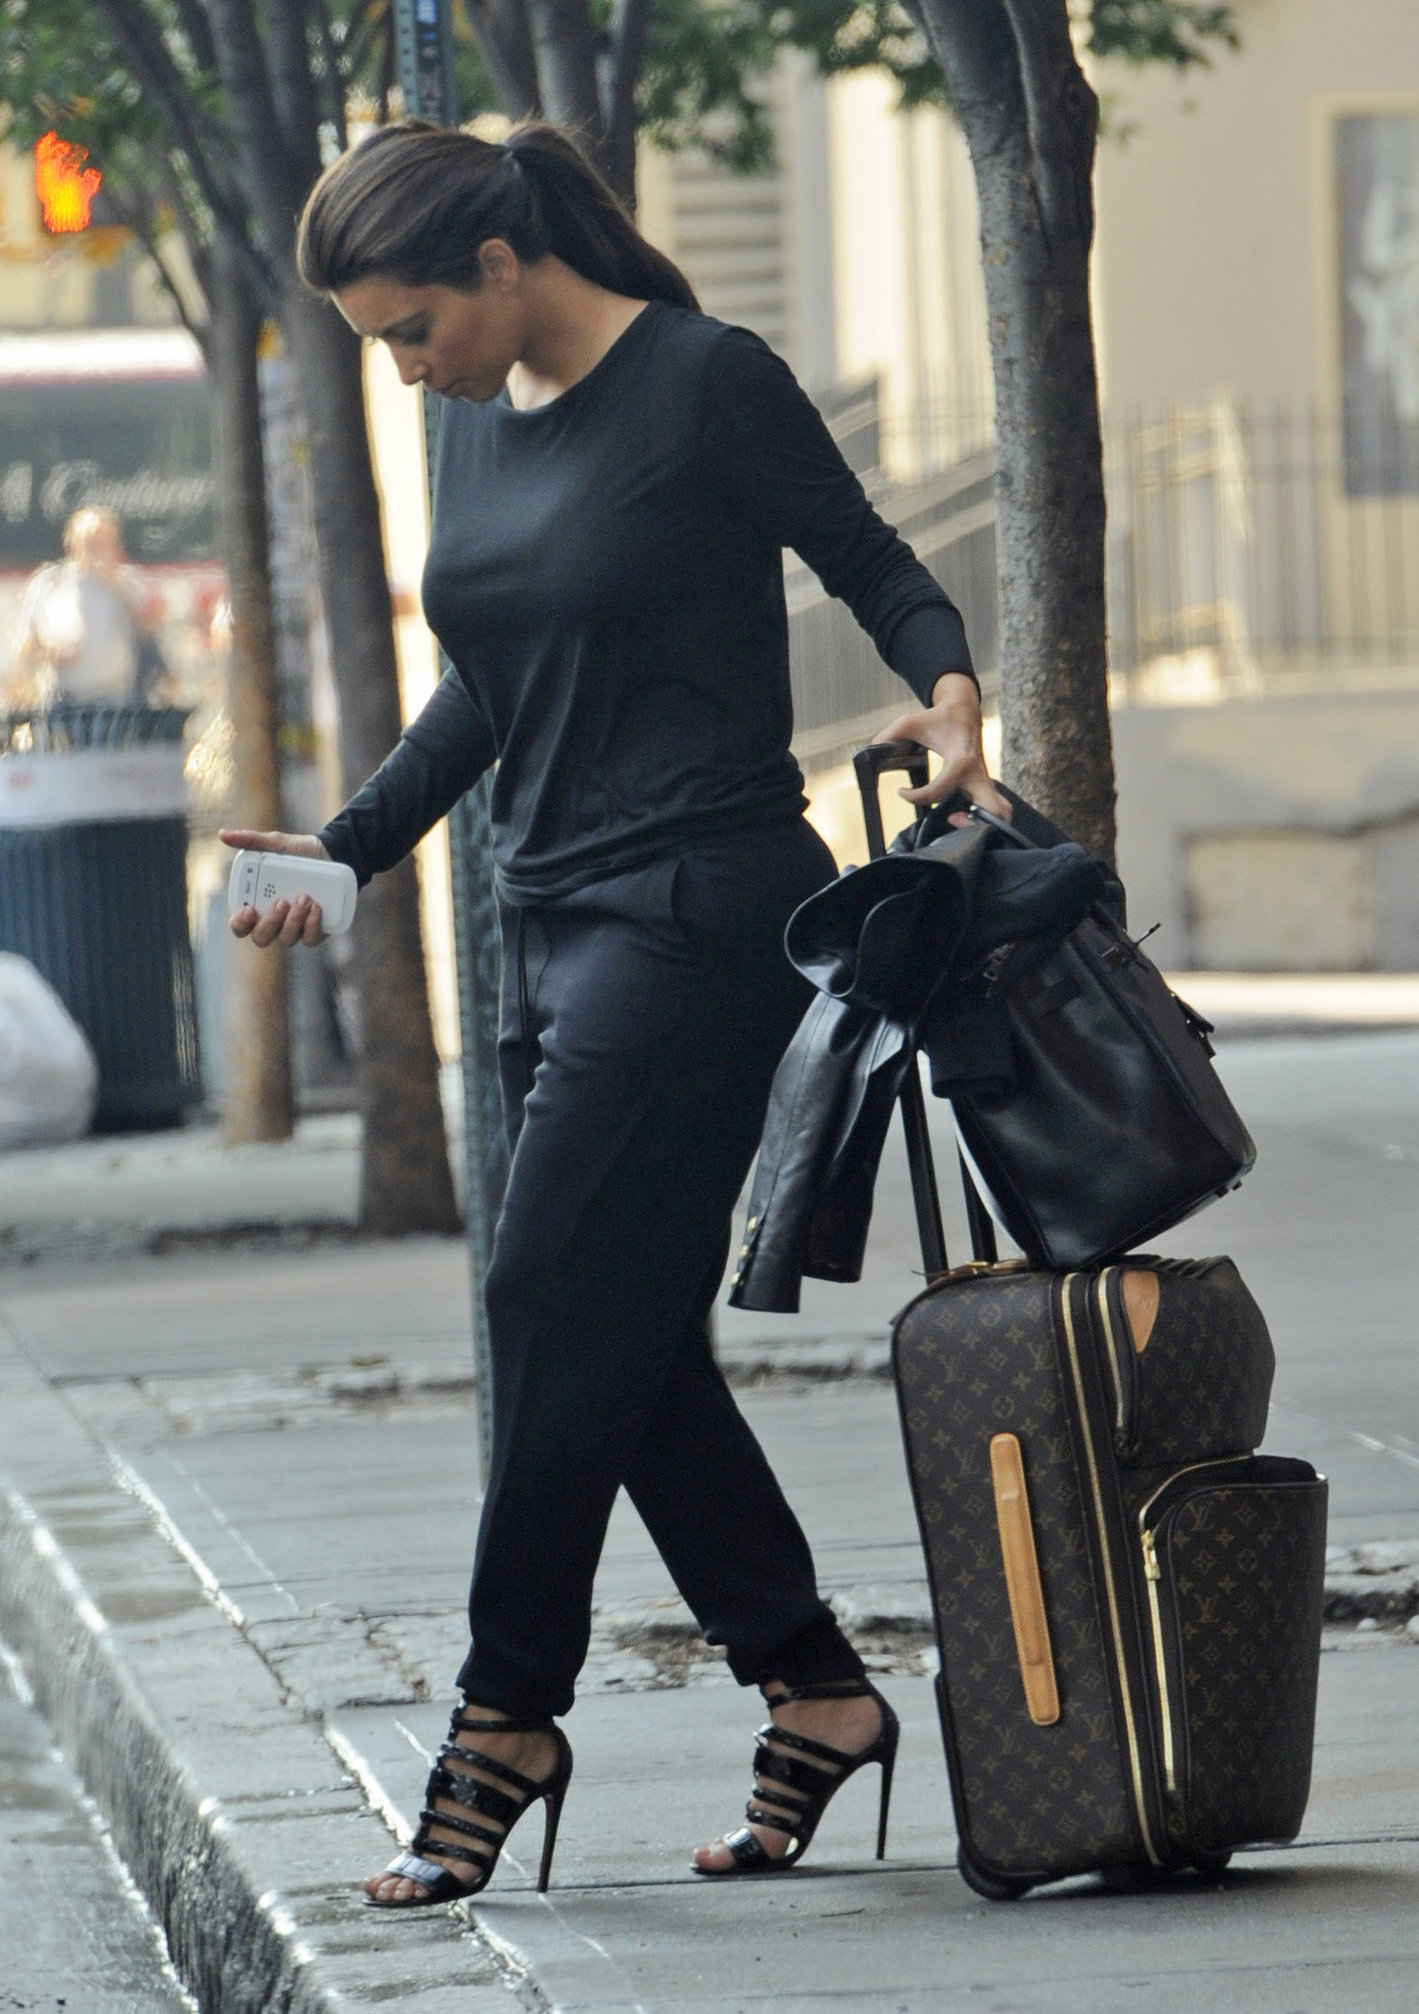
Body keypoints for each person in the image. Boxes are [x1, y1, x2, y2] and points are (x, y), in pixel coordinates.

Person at [222, 118, 1010, 1908]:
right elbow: (488, 694)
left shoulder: (701, 382)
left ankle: (505, 1712)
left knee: (539, 1294)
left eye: (407, 327)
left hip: (699, 909)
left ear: (499, 269)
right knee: (622, 1337)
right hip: (546, 927)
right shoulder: (478, 429)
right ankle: (812, 1683)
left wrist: (953, 697)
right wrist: (346, 856)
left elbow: (870, 557)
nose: (403, 365)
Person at [7, 506, 145, 707]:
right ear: (72, 542)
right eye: (90, 542)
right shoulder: (49, 583)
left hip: (113, 697)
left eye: (104, 542)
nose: (98, 549)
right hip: (61, 697)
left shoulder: (126, 583)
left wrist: (114, 584)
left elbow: (147, 630)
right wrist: (47, 650)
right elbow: (23, 645)